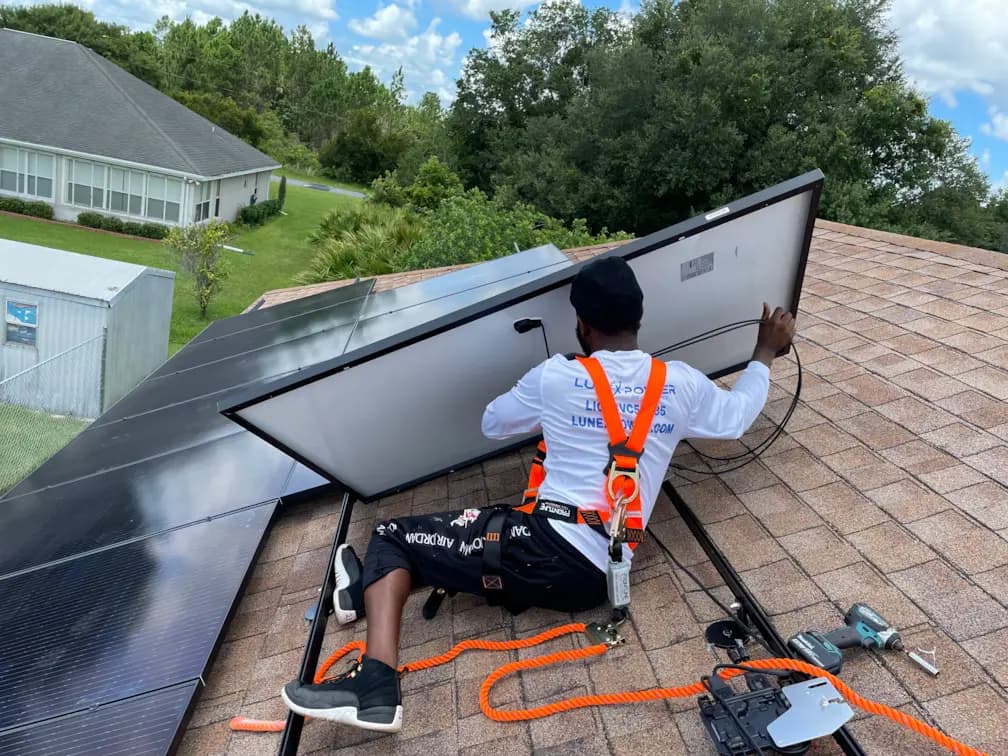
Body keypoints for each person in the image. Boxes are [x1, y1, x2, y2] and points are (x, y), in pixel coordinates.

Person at [281, 256, 796, 733]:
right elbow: (738, 418)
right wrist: (765, 350)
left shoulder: (557, 377)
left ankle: (374, 689)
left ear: (583, 325)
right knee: (469, 527)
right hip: (596, 578)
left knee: (393, 535)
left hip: (538, 550)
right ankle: (361, 590)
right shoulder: (679, 384)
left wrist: (558, 391)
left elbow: (493, 423)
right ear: (638, 319)